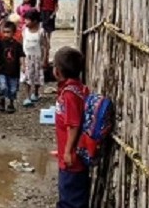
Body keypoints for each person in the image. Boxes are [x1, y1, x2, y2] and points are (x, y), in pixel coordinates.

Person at [53, 47, 90, 208]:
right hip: (71, 156)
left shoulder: (70, 94)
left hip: (72, 160)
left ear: (57, 71)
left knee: (70, 198)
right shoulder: (77, 88)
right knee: (69, 194)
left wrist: (67, 151)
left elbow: (73, 125)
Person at [0, 22, 25, 113]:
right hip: (2, 70)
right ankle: (2, 99)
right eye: (4, 32)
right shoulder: (0, 43)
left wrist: (23, 65)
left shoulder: (17, 45)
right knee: (2, 86)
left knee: (13, 89)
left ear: (13, 33)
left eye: (8, 32)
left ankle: (11, 103)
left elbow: (21, 55)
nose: (5, 34)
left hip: (14, 71)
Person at [21, 10, 49, 107]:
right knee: (27, 77)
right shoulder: (24, 30)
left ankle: (36, 93)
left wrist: (45, 59)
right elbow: (22, 45)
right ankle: (27, 97)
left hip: (38, 58)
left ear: (35, 21)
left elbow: (45, 46)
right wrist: (22, 62)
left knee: (37, 77)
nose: (25, 21)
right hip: (27, 58)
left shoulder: (41, 31)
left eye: (28, 20)